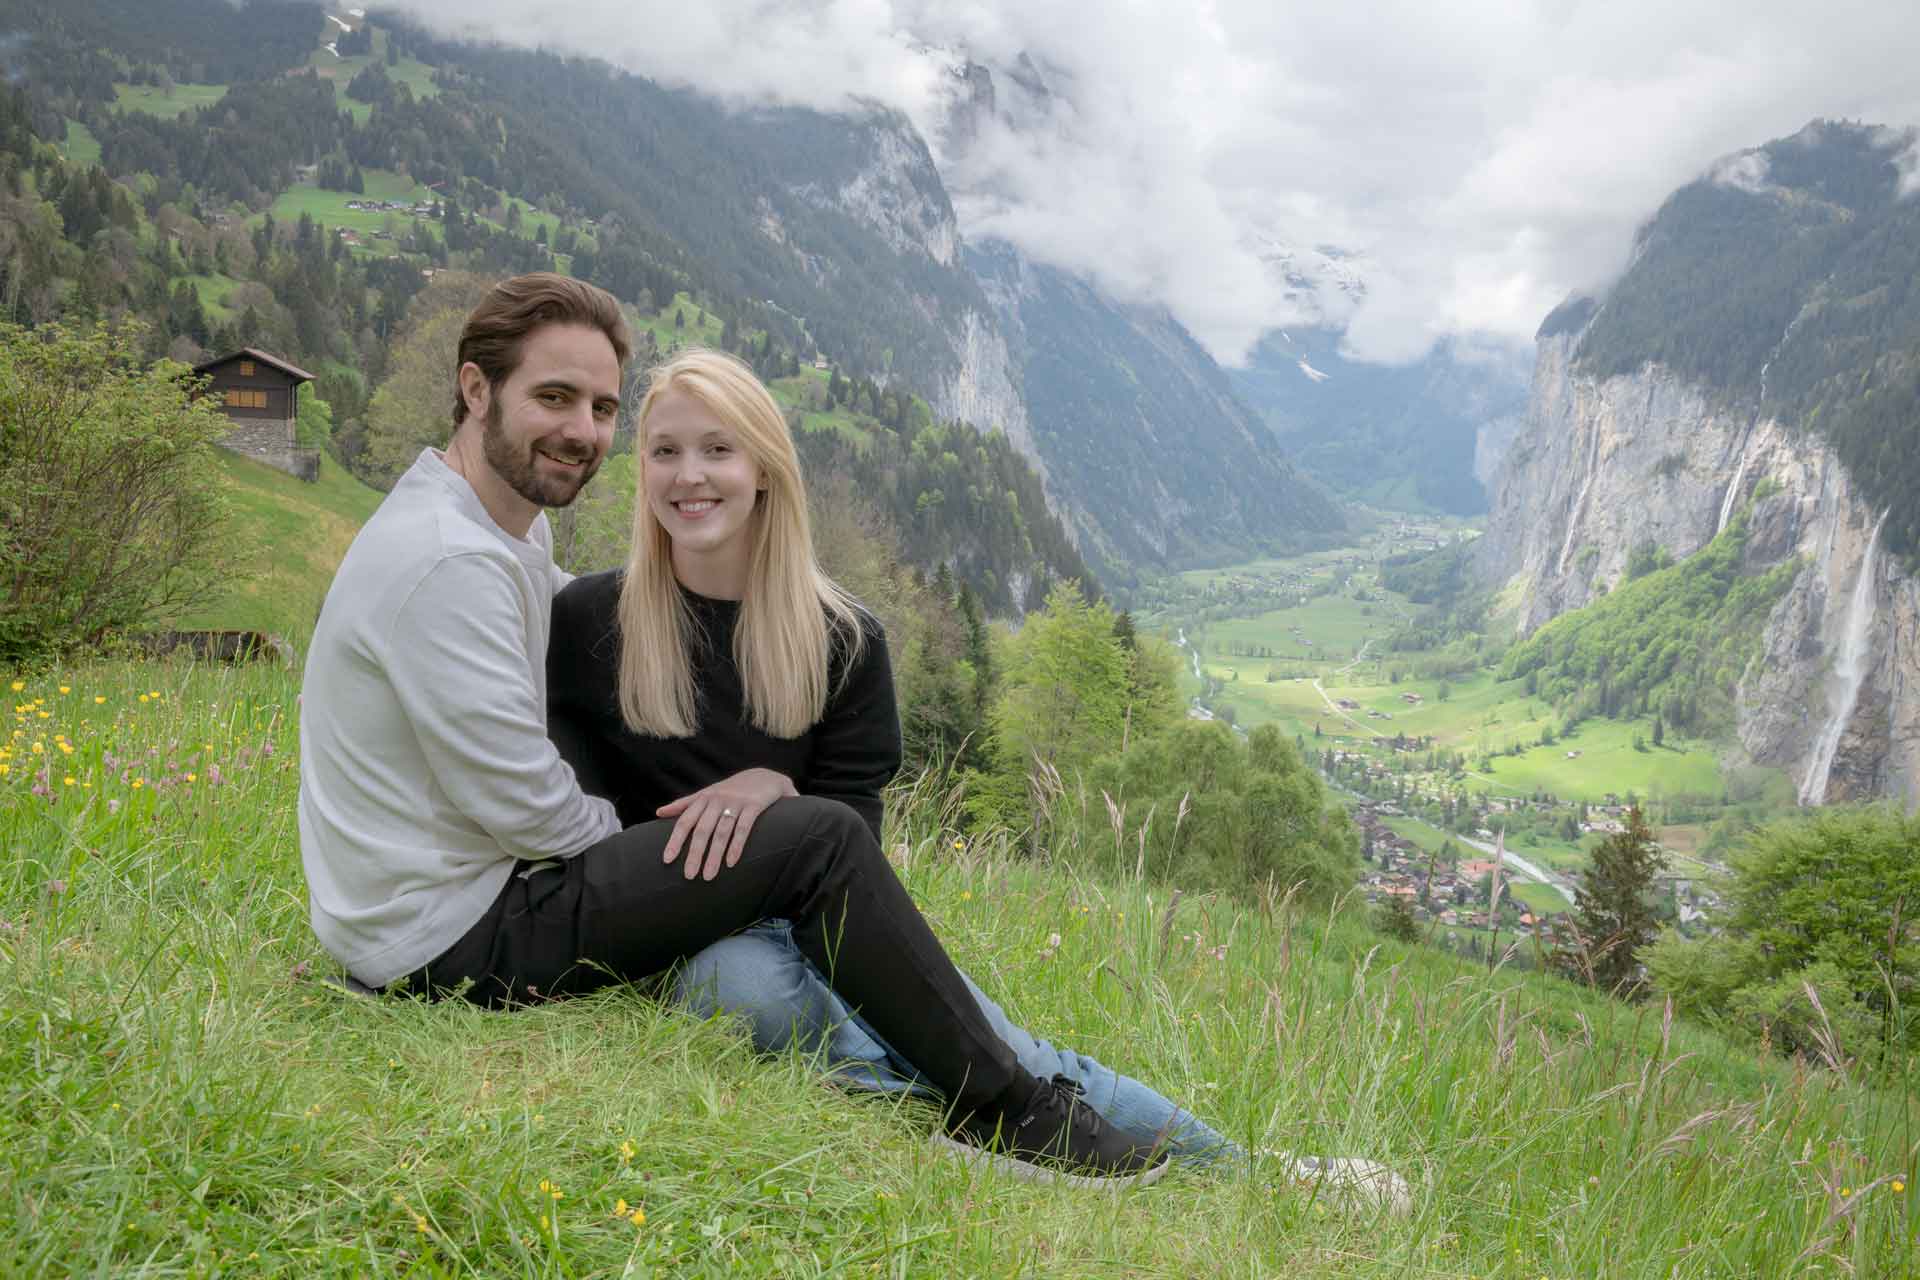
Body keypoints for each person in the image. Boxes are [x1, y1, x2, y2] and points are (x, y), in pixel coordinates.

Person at [296, 272, 1167, 1188]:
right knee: (814, 845)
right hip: (455, 938)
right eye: (553, 397)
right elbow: (525, 808)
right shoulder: (449, 561)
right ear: (477, 390)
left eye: (599, 406)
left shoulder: (498, 532)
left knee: (813, 864)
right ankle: (1007, 1114)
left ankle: (1176, 1148)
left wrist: (728, 847)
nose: (582, 430)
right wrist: (708, 861)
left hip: (426, 916)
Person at [545, 348, 1410, 1213]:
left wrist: (780, 794)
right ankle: (965, 1118)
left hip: (810, 923)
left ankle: (1257, 1176)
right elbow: (576, 825)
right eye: (665, 451)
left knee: (997, 1039)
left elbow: (853, 848)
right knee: (746, 994)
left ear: (766, 469)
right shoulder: (590, 621)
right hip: (682, 937)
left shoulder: (842, 638)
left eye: (717, 450)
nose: (689, 476)